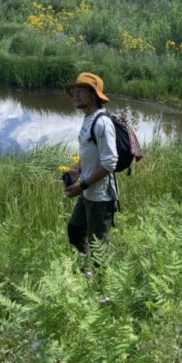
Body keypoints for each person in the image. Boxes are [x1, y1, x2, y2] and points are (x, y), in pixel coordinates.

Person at [63, 72, 118, 256]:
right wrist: (77, 171)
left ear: (94, 95)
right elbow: (89, 151)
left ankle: (101, 282)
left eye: (81, 91)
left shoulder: (102, 123)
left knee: (98, 248)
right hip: (88, 193)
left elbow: (110, 163)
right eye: (75, 90)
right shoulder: (89, 118)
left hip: (101, 198)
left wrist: (82, 186)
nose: (76, 95)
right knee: (75, 230)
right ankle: (85, 272)